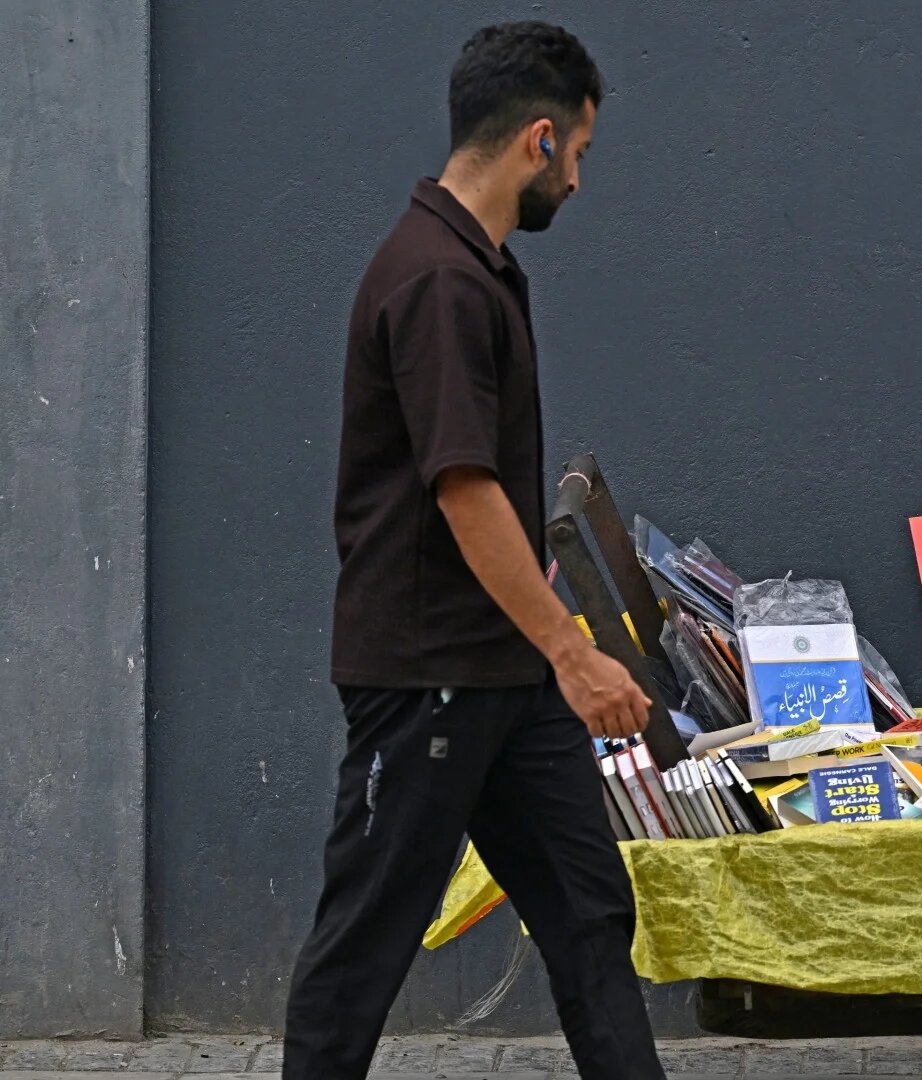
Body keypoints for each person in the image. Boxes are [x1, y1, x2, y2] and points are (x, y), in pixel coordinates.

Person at [283, 22, 666, 1080]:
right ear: (538, 140)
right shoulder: (439, 282)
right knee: (362, 950)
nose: (580, 183)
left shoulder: (478, 266)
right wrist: (574, 653)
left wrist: (548, 650)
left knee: (591, 913)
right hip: (429, 680)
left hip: (502, 672)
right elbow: (464, 490)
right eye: (579, 155)